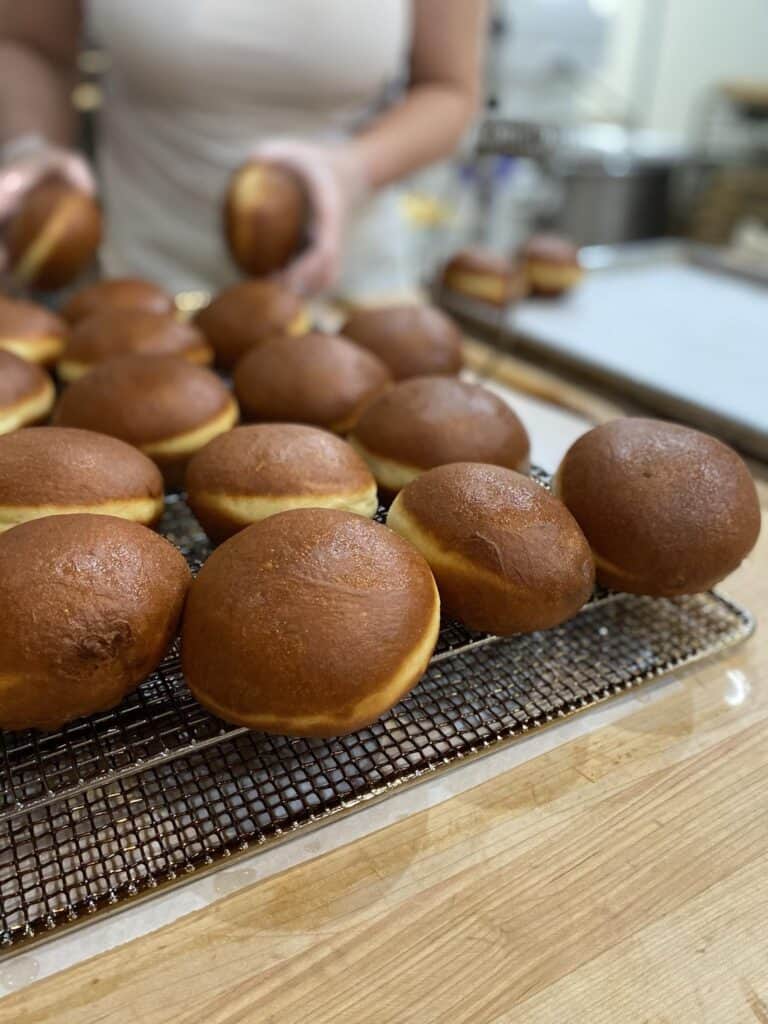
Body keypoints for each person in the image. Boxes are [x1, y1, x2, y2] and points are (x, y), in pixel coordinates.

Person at [0, 1, 486, 296]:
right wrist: (31, 145)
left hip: (345, 297)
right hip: (136, 288)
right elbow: (30, 46)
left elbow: (449, 89)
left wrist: (354, 169)